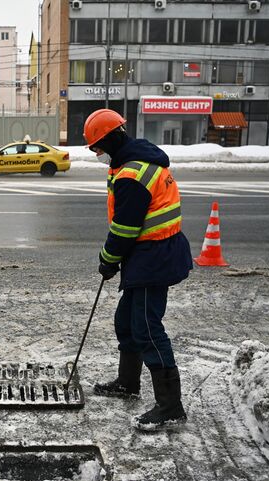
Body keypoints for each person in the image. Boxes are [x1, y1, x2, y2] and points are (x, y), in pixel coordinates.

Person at [84, 109, 193, 431]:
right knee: (126, 322)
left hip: (153, 256)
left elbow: (125, 228)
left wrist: (108, 258)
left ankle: (171, 405)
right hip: (149, 253)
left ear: (112, 139)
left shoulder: (133, 173)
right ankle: (128, 382)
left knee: (146, 326)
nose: (98, 154)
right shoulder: (137, 161)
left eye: (97, 148)